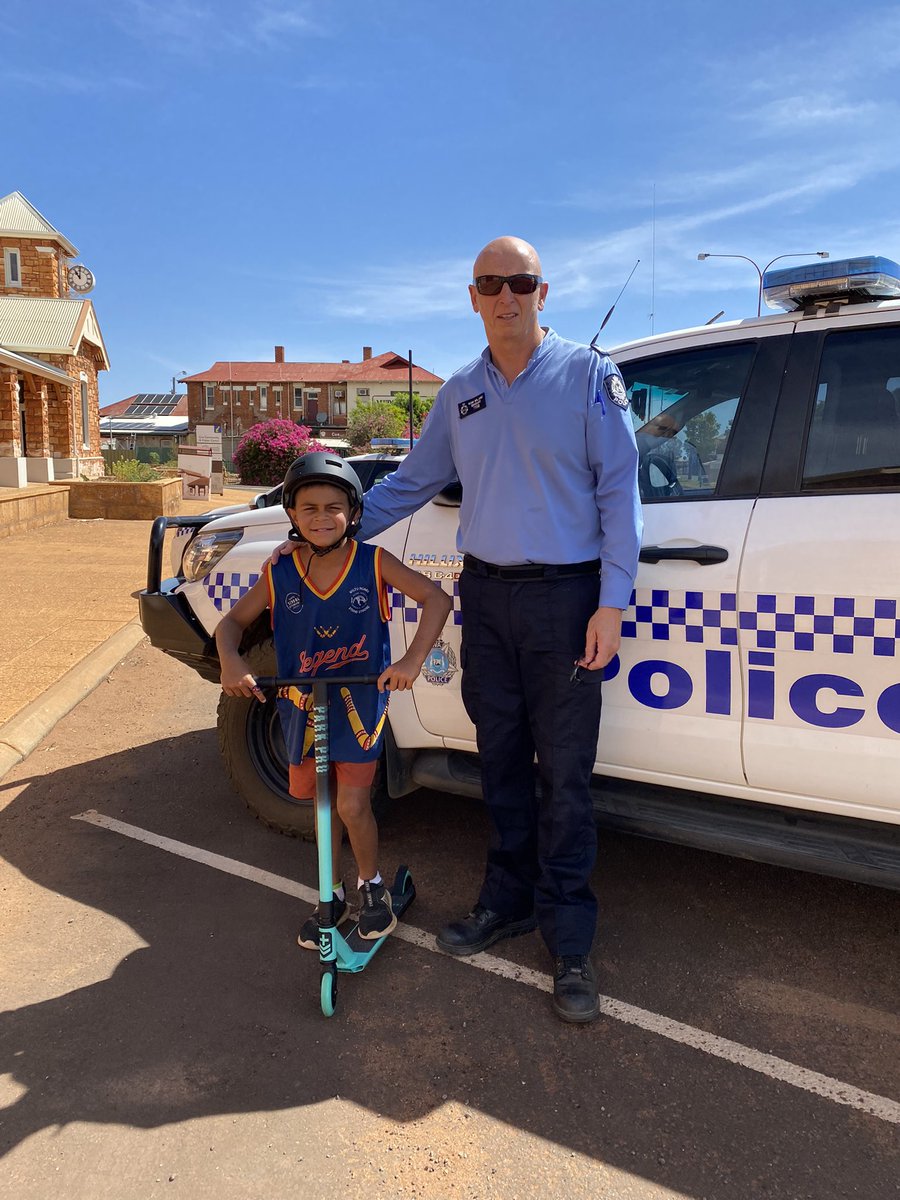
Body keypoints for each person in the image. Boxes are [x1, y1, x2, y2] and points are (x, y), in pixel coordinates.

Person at [349, 236, 643, 1023]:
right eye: (491, 284)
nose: (506, 295)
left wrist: (612, 601)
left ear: (543, 293)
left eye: (520, 282)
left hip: (567, 601)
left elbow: (619, 492)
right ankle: (506, 898)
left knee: (567, 774)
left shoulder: (588, 376)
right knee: (502, 760)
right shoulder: (460, 394)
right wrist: (334, 529)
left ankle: (570, 938)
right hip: (486, 597)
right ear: (472, 297)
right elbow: (412, 483)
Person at [217, 452, 451, 947]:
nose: (321, 518)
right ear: (292, 517)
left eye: (333, 508)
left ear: (354, 513)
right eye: (309, 509)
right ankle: (331, 893)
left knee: (351, 804)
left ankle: (372, 889)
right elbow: (231, 624)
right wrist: (232, 663)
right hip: (302, 708)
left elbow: (437, 599)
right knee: (321, 806)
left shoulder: (373, 561)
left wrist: (409, 662)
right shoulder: (280, 572)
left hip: (356, 708)